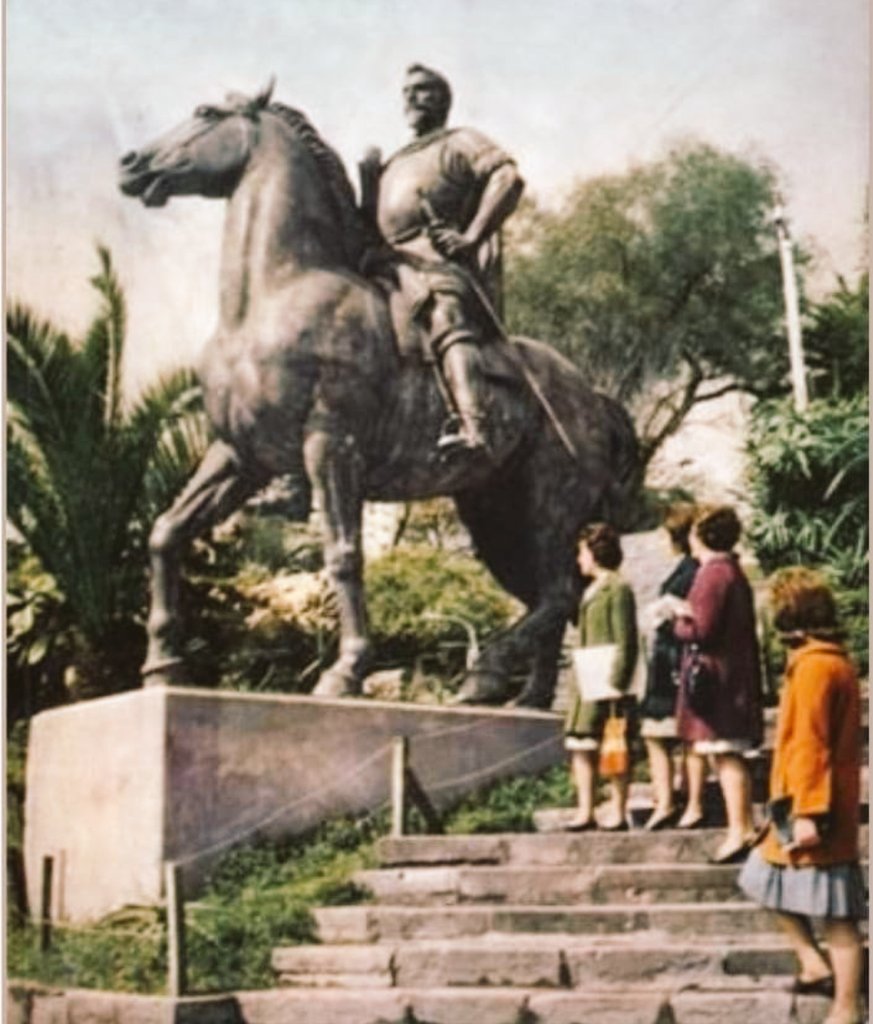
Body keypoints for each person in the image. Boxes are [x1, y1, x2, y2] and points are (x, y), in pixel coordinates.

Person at [358, 64, 524, 455]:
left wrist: (470, 236)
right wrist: (368, 180)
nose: (411, 99)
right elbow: (370, 224)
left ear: (443, 99)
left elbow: (508, 179)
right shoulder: (395, 161)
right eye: (406, 92)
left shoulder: (461, 141)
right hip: (385, 264)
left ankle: (473, 425)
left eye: (422, 90)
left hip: (434, 264)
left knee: (442, 313)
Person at [739, 568, 865, 1024]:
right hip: (807, 802)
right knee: (761, 878)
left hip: (812, 806)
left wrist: (809, 812)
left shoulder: (814, 668)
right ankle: (813, 964)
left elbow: (811, 744)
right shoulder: (830, 661)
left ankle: (847, 1007)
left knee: (837, 916)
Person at [665, 505, 763, 863]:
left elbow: (702, 630)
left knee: (724, 753)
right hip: (733, 675)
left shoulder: (712, 574)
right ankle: (744, 826)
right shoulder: (733, 571)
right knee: (728, 753)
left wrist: (678, 619)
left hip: (716, 681)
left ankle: (739, 829)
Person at [564, 523, 639, 831]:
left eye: (582, 552)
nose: (579, 559)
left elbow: (626, 639)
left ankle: (618, 810)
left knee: (614, 746)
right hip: (587, 677)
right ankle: (585, 810)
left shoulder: (617, 588)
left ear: (595, 553)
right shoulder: (592, 589)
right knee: (581, 744)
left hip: (606, 680)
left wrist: (617, 682)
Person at [638, 503, 698, 830]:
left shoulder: (689, 571)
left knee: (660, 733)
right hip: (670, 659)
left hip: (673, 661)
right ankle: (679, 796)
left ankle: (668, 800)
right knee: (672, 733)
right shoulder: (689, 568)